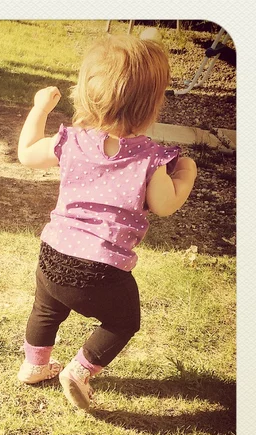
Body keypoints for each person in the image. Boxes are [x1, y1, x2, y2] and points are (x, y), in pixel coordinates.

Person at [16, 33, 198, 410]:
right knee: (122, 321)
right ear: (152, 105)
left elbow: (27, 154)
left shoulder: (71, 140)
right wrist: (187, 175)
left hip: (54, 252)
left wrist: (40, 109)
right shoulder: (150, 159)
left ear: (86, 93)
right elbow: (164, 204)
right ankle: (78, 371)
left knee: (45, 310)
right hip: (101, 269)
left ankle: (34, 365)